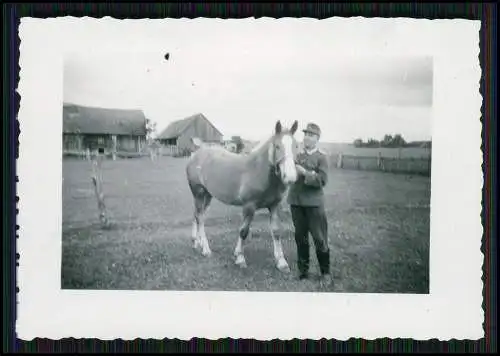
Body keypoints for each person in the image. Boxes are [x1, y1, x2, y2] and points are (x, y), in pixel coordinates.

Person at [287, 122, 332, 287]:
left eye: (311, 135)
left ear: (317, 139)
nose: (306, 137)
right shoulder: (297, 156)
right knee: (300, 238)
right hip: (296, 202)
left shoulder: (322, 157)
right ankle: (303, 271)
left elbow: (322, 180)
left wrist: (305, 172)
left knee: (320, 239)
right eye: (305, 134)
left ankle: (325, 273)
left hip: (314, 205)